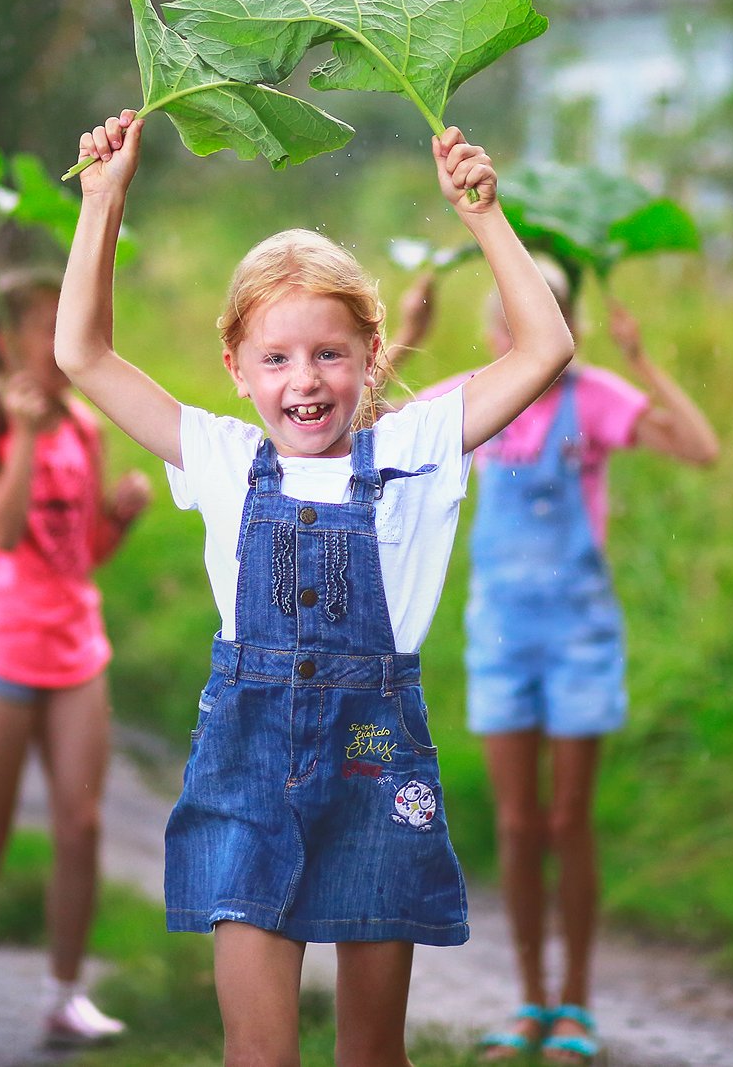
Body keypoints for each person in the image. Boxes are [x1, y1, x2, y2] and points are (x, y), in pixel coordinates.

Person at [54, 109, 574, 1067]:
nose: (306, 380)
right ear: (237, 369)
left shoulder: (417, 450)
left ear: (371, 355)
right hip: (247, 767)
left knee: (371, 1055)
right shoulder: (219, 455)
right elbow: (82, 354)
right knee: (260, 1055)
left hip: (375, 763)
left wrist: (483, 216)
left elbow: (545, 350)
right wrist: (104, 201)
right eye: (278, 357)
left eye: (330, 353)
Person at [392, 259, 720, 1064]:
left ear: (565, 323)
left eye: (549, 315)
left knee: (568, 820)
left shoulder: (596, 398)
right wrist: (407, 336)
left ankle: (576, 1001)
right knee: (515, 820)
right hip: (501, 636)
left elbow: (701, 450)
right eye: (514, 317)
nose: (530, 331)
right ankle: (528, 999)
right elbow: (362, 427)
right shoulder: (475, 398)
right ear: (497, 327)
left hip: (581, 637)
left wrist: (643, 361)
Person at [0, 268, 153, 1064]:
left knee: (81, 826)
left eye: (68, 323)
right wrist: (21, 434)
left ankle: (65, 996)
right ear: (3, 341)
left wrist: (117, 516)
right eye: (45, 325)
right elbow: (6, 528)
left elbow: (79, 552)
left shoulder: (87, 430)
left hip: (74, 647)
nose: (60, 342)